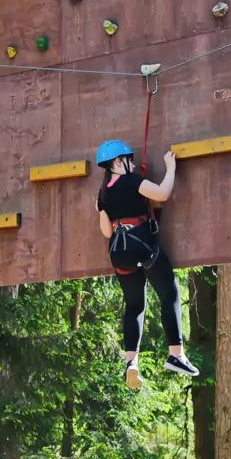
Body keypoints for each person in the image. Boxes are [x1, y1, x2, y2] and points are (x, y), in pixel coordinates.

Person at [95, 139, 200, 389]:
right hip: (141, 245)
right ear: (119, 162)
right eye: (128, 160)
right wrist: (171, 169)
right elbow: (162, 193)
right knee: (169, 293)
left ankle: (131, 362)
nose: (132, 165)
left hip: (119, 253)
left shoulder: (103, 193)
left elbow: (107, 232)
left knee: (134, 306)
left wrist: (102, 209)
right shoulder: (132, 181)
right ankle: (176, 355)